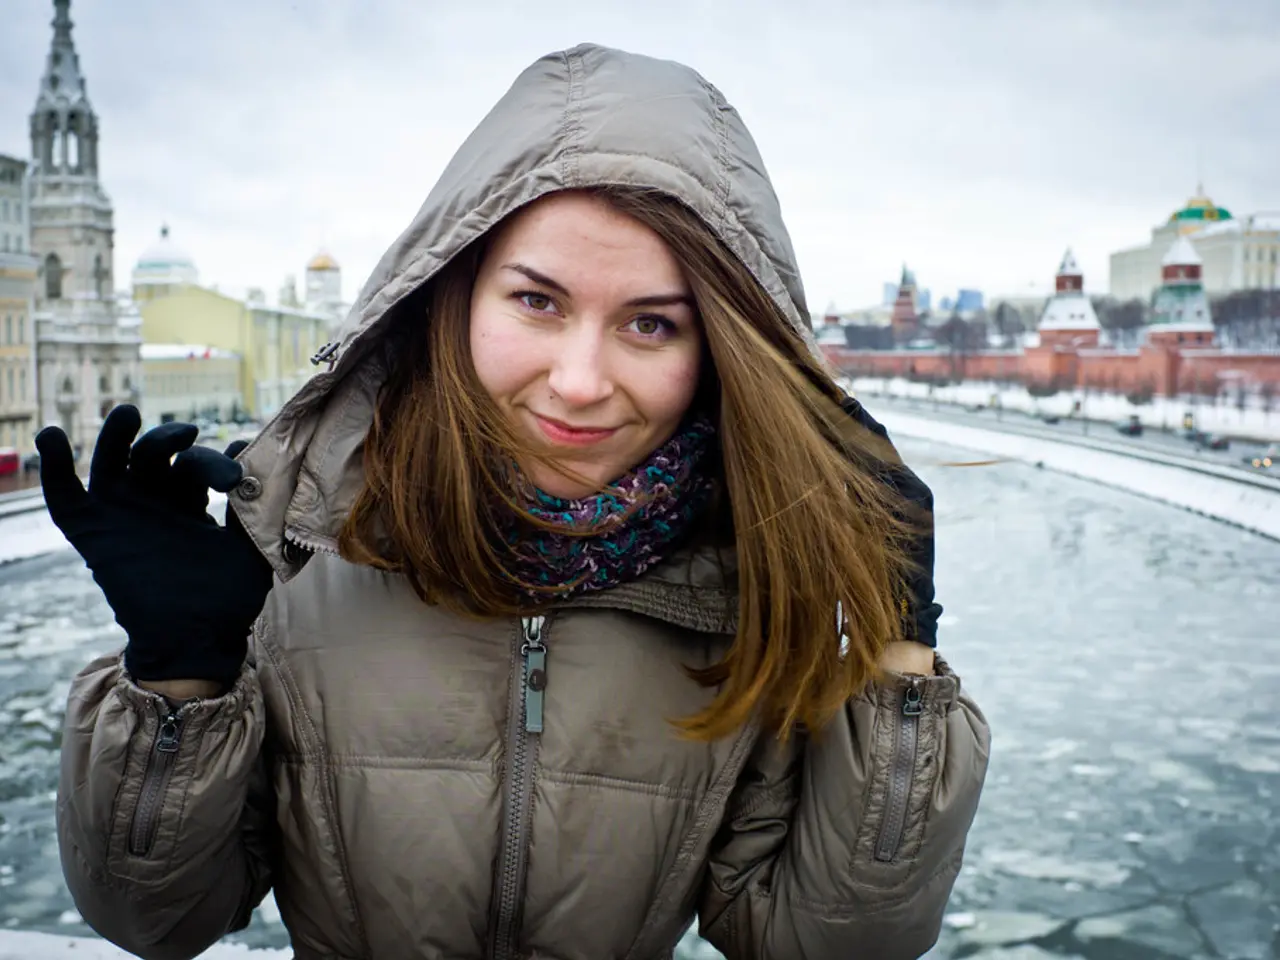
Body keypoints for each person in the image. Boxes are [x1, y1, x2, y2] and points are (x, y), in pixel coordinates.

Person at [40, 44, 989, 960]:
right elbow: (161, 924)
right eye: (537, 301)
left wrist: (895, 654)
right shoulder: (298, 554)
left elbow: (826, 943)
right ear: (454, 296)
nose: (579, 382)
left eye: (651, 323)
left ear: (717, 349)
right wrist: (181, 680)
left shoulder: (751, 585)